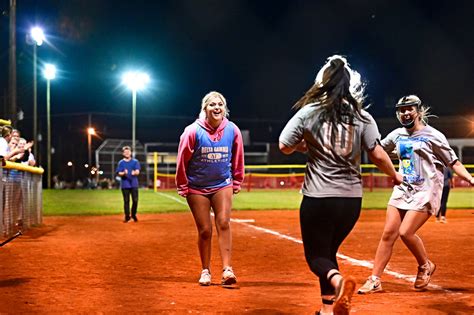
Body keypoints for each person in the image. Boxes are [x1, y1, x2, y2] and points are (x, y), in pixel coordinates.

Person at [279, 55, 403, 315]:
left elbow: (284, 145)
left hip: (318, 197)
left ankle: (339, 283)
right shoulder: (362, 116)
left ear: (323, 82)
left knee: (316, 258)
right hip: (351, 201)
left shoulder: (309, 111)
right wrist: (395, 174)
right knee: (328, 253)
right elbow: (378, 153)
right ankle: (327, 311)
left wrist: (307, 146)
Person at [358, 95, 474, 294]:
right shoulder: (396, 135)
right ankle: (375, 279)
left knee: (405, 232)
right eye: (401, 110)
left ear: (419, 111)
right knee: (388, 234)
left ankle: (425, 265)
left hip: (426, 192)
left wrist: (471, 179)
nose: (405, 113)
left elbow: (453, 162)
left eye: (409, 109)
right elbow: (376, 149)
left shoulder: (433, 135)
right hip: (404, 188)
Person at [175, 91, 244, 286]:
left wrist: (237, 181)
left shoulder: (232, 129)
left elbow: (238, 157)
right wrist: (182, 185)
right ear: (205, 108)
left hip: (222, 183)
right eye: (212, 104)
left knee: (223, 222)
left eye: (220, 104)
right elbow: (182, 161)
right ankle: (205, 270)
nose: (216, 107)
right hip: (197, 186)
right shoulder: (192, 131)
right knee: (205, 230)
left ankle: (227, 269)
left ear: (224, 109)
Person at [116, 146, 141, 222]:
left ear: (131, 152)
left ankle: (133, 215)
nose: (127, 153)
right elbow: (118, 173)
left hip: (134, 184)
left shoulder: (135, 161)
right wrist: (123, 173)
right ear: (123, 153)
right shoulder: (121, 163)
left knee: (135, 200)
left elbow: (138, 171)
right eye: (125, 152)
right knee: (126, 201)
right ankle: (127, 216)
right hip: (125, 184)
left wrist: (135, 172)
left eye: (128, 152)